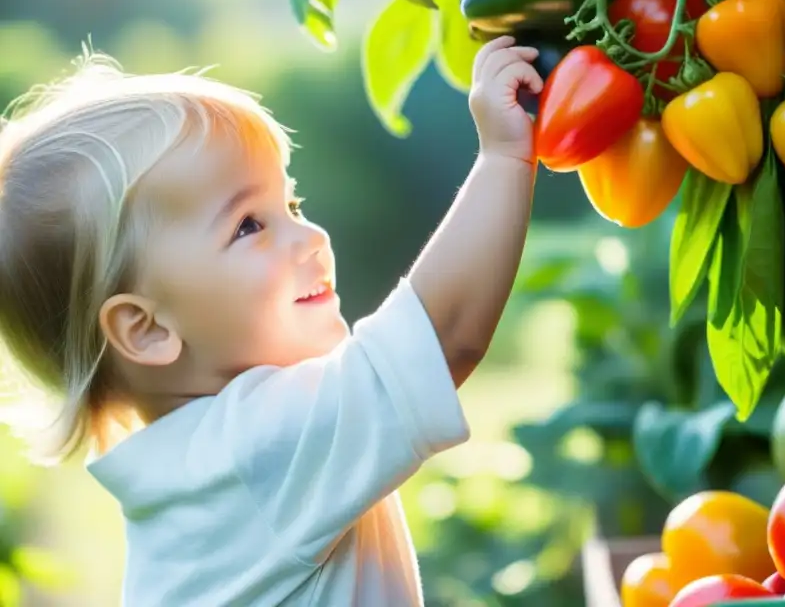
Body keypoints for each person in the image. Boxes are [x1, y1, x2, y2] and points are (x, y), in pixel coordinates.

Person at [0, 36, 544, 605]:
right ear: (147, 329)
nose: (312, 238)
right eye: (248, 226)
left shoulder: (188, 479)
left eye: (293, 205)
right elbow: (445, 335)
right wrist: (504, 157)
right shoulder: (251, 453)